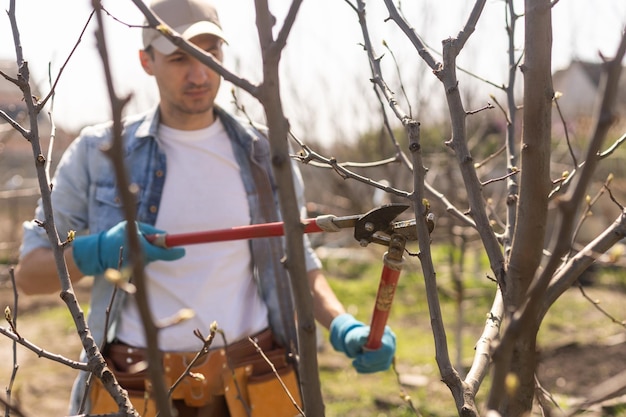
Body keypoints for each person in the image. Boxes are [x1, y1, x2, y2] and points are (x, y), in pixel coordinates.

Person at [14, 0, 396, 416]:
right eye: (180, 57)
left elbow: (296, 259)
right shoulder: (97, 154)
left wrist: (342, 324)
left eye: (210, 55)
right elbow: (30, 277)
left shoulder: (265, 152)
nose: (199, 73)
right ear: (147, 61)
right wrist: (98, 251)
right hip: (135, 386)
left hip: (255, 381)